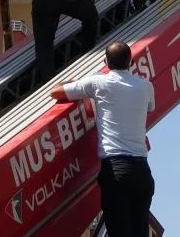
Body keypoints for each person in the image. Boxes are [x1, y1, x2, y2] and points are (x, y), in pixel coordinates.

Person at [51, 41, 156, 237]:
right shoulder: (146, 86)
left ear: (105, 62)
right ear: (131, 61)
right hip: (142, 171)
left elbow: (55, 92)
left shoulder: (98, 83)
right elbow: (150, 107)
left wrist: (71, 80)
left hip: (116, 171)